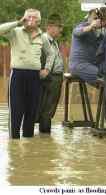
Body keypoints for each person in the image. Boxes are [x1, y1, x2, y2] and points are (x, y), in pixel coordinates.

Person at [0, 9, 54, 139]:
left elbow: (51, 53)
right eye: (28, 17)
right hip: (18, 75)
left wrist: (46, 69)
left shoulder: (43, 37)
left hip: (35, 76)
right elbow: (1, 29)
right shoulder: (15, 32)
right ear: (24, 18)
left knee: (31, 110)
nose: (31, 19)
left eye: (34, 17)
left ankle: (28, 144)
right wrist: (18, 22)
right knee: (16, 110)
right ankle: (14, 144)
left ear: (39, 21)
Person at [37, 14, 64, 134]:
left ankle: (44, 137)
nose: (61, 30)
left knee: (50, 107)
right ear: (50, 27)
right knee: (47, 108)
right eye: (59, 27)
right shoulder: (44, 39)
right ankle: (45, 135)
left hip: (55, 77)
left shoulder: (53, 41)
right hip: (50, 77)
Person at [68, 8, 106, 85]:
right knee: (104, 77)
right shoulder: (82, 25)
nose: (96, 20)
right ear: (88, 17)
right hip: (79, 65)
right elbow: (77, 32)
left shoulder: (97, 33)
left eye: (98, 18)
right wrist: (91, 26)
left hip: (89, 64)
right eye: (95, 18)